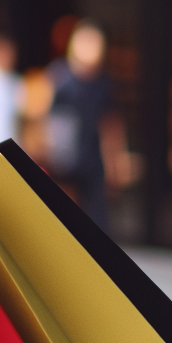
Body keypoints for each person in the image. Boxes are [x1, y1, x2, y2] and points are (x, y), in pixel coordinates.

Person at [47, 20, 128, 231]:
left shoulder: (103, 83)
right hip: (62, 164)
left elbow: (110, 125)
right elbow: (41, 119)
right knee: (64, 223)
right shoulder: (58, 77)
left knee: (96, 226)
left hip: (93, 163)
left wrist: (115, 164)